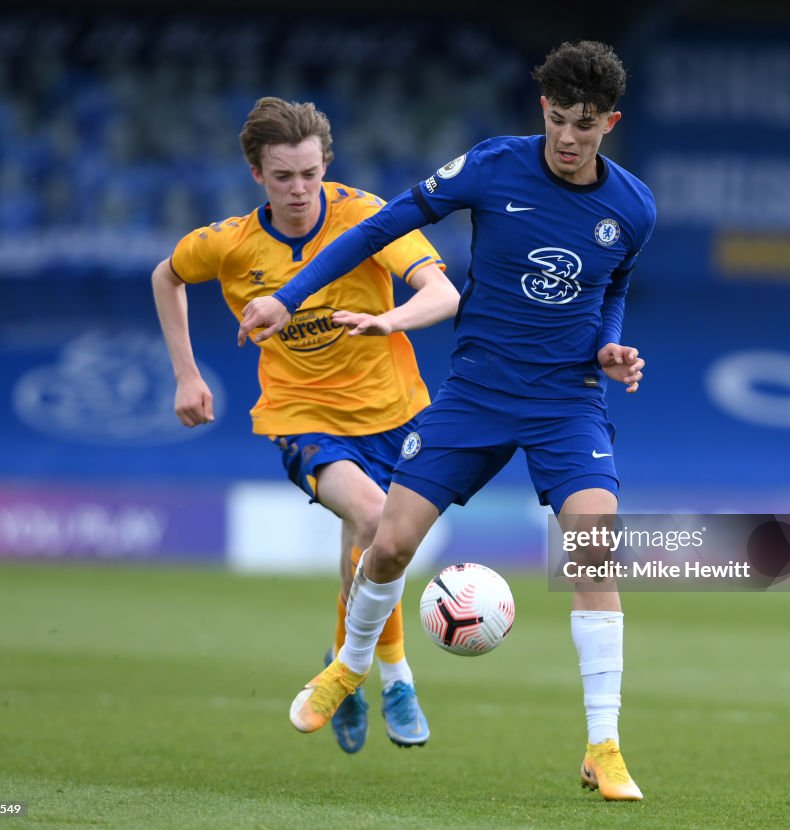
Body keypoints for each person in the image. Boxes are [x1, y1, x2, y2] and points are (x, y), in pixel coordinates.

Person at [238, 41, 652, 800]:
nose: (567, 138)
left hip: (567, 400)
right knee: (389, 543)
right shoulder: (493, 165)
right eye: (558, 120)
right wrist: (289, 296)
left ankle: (605, 745)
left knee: (595, 555)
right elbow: (375, 229)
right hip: (477, 393)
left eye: (584, 125)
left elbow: (613, 286)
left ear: (610, 123)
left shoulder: (633, 207)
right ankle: (351, 665)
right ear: (543, 111)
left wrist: (611, 348)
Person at [152, 96, 459, 754]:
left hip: (397, 413)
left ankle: (342, 664)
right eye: (283, 176)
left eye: (311, 174)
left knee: (375, 545)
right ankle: (396, 677)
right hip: (302, 416)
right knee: (376, 520)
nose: (299, 189)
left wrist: (390, 319)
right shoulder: (230, 244)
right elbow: (166, 275)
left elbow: (443, 294)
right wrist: (186, 372)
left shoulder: (366, 216)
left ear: (328, 166)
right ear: (256, 174)